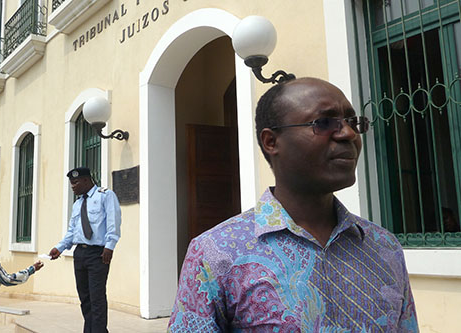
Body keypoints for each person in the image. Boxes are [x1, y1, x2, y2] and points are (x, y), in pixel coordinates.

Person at [168, 78, 419, 332]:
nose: (349, 133)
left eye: (353, 122)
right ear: (271, 142)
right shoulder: (214, 253)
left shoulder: (385, 248)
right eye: (324, 123)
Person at [49, 167, 121, 333]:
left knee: (97, 298)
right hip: (79, 254)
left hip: (98, 254)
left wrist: (110, 246)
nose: (72, 186)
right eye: (71, 184)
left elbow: (113, 221)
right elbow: (72, 231)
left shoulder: (105, 195)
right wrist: (59, 248)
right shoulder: (77, 204)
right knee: (85, 299)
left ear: (87, 181)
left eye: (75, 182)